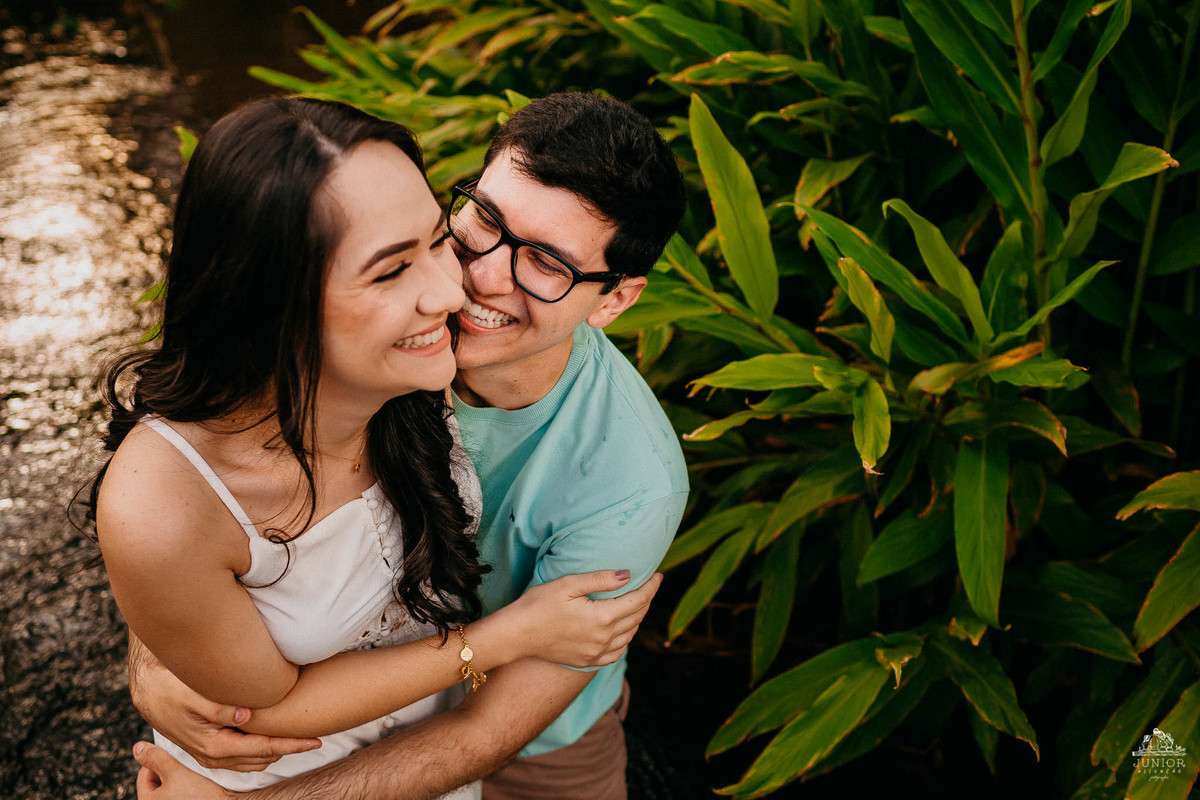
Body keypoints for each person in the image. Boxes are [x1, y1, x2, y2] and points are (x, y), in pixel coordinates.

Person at [91, 96, 662, 797]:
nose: (462, 285)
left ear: (613, 300)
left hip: (523, 739)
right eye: (479, 223)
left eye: (546, 262)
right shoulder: (399, 355)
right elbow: (179, 520)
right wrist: (154, 657)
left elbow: (484, 731)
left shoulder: (625, 477)